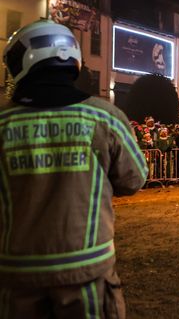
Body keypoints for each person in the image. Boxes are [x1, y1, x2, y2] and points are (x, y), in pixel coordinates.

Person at [0, 20, 147, 317]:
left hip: (17, 274)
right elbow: (134, 179)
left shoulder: (3, 121)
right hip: (87, 272)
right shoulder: (105, 117)